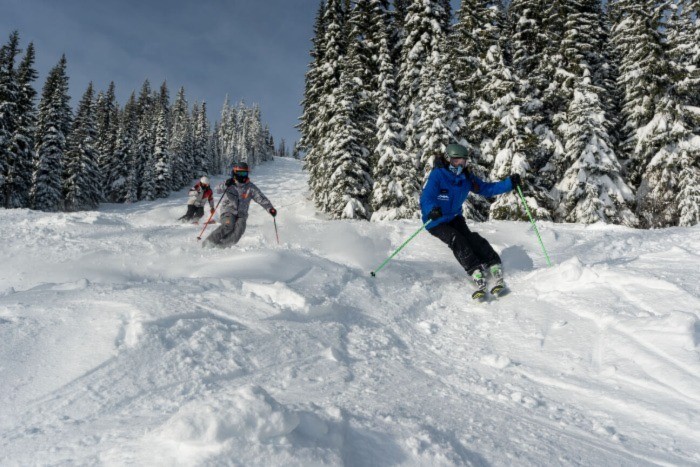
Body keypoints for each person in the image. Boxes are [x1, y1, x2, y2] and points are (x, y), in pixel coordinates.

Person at [420, 143, 521, 300]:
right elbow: (426, 197)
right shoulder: (437, 175)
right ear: (447, 160)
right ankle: (474, 269)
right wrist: (431, 209)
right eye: (456, 161)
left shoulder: (466, 178)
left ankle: (492, 262)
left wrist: (509, 184)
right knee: (456, 239)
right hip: (436, 220)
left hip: (454, 216)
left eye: (463, 162)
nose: (459, 165)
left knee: (471, 238)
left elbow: (486, 189)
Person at [202, 162, 277, 248]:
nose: (242, 175)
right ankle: (208, 243)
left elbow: (261, 198)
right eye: (240, 173)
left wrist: (270, 208)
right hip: (228, 210)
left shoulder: (250, 187)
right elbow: (217, 189)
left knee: (240, 229)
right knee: (228, 225)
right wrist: (225, 185)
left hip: (242, 214)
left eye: (244, 173)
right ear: (235, 172)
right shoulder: (230, 183)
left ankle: (222, 246)